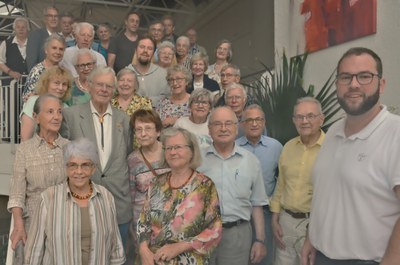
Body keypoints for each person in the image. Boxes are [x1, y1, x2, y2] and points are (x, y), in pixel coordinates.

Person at [302, 47, 400, 265]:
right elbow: (327, 194)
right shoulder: (334, 131)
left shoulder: (395, 133)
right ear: (338, 84)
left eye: (365, 76)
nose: (354, 84)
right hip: (321, 255)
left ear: (381, 84)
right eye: (346, 77)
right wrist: (312, 237)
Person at [60, 65, 133, 249]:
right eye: (99, 84)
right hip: (82, 200)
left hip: (118, 202)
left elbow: (128, 152)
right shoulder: (71, 115)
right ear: (89, 86)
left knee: (119, 257)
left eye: (109, 86)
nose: (104, 90)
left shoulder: (124, 119)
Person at [24, 138, 126, 265]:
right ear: (66, 168)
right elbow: (35, 249)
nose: (79, 171)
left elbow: (115, 244)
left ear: (93, 168)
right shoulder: (48, 198)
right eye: (73, 165)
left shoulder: (105, 196)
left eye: (85, 165)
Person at [137, 127, 222, 264]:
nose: (172, 152)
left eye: (178, 147)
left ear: (192, 151)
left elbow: (214, 231)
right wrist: (143, 250)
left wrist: (180, 246)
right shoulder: (156, 183)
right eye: (168, 148)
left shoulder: (205, 185)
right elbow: (143, 222)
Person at [198, 106, 268, 265]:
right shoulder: (197, 161)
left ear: (236, 128)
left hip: (237, 235)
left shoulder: (251, 161)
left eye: (228, 123)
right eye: (217, 124)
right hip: (201, 234)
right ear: (209, 129)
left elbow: (257, 203)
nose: (223, 128)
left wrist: (260, 240)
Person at [7, 94, 69, 264]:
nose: (56, 117)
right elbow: (17, 194)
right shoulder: (24, 150)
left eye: (59, 112)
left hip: (63, 226)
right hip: (31, 225)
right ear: (36, 117)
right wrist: (19, 226)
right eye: (50, 112)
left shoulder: (69, 148)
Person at [268, 97, 324, 265]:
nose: (304, 121)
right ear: (293, 120)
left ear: (322, 118)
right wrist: (275, 218)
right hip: (285, 222)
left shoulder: (331, 149)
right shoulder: (288, 147)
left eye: (310, 116)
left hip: (313, 224)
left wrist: (314, 229)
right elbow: (281, 185)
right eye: (299, 117)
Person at [236, 104, 283, 265]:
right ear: (242, 124)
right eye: (249, 120)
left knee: (264, 257)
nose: (254, 124)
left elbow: (283, 179)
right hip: (239, 215)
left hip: (266, 212)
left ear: (264, 122)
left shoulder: (276, 147)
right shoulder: (233, 147)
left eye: (258, 119)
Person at [127, 109, 170, 257]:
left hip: (171, 226)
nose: (143, 134)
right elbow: (132, 199)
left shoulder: (171, 153)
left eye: (148, 128)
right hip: (144, 229)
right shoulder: (132, 160)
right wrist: (135, 234)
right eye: (138, 130)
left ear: (158, 131)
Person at [20, 66, 72, 141]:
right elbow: (25, 138)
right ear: (46, 84)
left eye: (64, 84)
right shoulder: (33, 101)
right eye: (56, 83)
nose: (60, 88)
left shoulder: (66, 108)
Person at [126, 35, 169, 108]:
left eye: (149, 48)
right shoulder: (125, 73)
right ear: (136, 50)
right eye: (142, 47)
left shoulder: (163, 74)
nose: (145, 51)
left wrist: (141, 102)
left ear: (153, 52)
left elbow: (167, 99)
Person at [26, 6, 59, 71]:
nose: (53, 18)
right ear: (45, 19)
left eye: (56, 16)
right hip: (41, 78)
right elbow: (31, 63)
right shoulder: (36, 35)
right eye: (50, 16)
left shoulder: (59, 37)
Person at [0, 17, 29, 85]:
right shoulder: (5, 44)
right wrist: (10, 72)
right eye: (18, 27)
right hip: (9, 85)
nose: (21, 29)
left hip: (28, 86)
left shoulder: (33, 44)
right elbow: (0, 62)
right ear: (14, 29)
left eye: (23, 27)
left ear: (28, 29)